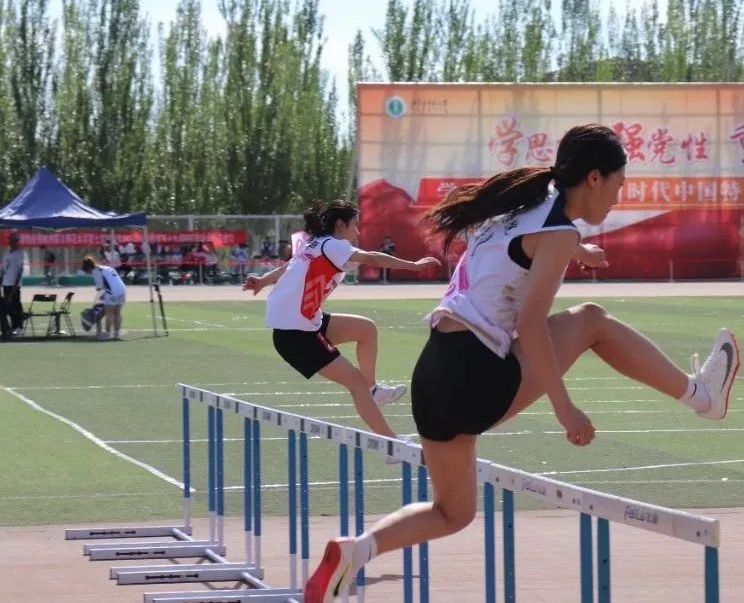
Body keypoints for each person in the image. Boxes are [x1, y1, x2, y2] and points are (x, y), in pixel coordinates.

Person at [304, 124, 741, 602]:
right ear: (594, 178)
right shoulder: (557, 229)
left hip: (433, 373)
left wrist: (577, 249)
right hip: (473, 373)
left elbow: (520, 247)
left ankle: (356, 551)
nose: (619, 197)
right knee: (591, 320)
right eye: (618, 184)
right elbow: (531, 325)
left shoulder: (519, 208)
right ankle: (702, 397)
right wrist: (564, 407)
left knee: (452, 512)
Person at [244, 199, 441, 440]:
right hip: (296, 334)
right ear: (340, 224)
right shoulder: (333, 246)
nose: (358, 232)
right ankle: (392, 443)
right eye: (355, 225)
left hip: (304, 324)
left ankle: (373, 390)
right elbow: (373, 258)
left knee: (366, 329)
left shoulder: (316, 244)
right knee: (356, 383)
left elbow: (290, 265)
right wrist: (414, 265)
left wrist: (263, 280)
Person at [81, 254, 127, 340]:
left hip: (112, 291)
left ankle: (107, 334)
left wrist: (98, 300)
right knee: (117, 313)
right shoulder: (106, 267)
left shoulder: (96, 271)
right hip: (122, 289)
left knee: (109, 313)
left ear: (89, 268)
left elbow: (100, 288)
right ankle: (116, 334)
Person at [0, 232, 25, 335]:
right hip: (6, 283)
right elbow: (4, 269)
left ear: (17, 241)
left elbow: (20, 270)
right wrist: (0, 280)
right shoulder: (6, 252)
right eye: (10, 240)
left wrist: (16, 284)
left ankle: (18, 326)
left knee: (16, 305)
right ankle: (12, 326)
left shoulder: (20, 253)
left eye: (13, 240)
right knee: (8, 306)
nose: (11, 242)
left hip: (14, 284)